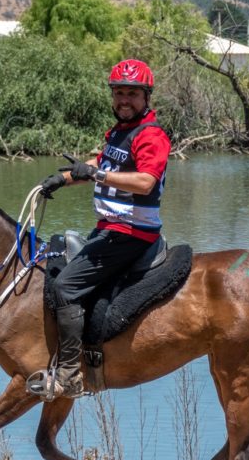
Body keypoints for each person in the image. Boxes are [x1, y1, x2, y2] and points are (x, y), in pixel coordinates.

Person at [34, 58, 171, 399]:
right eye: (119, 93)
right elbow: (100, 164)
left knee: (65, 286)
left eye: (132, 94)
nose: (124, 100)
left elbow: (144, 181)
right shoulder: (118, 133)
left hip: (131, 234)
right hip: (110, 229)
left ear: (146, 97)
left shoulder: (151, 136)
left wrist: (96, 174)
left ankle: (68, 375)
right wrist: (63, 179)